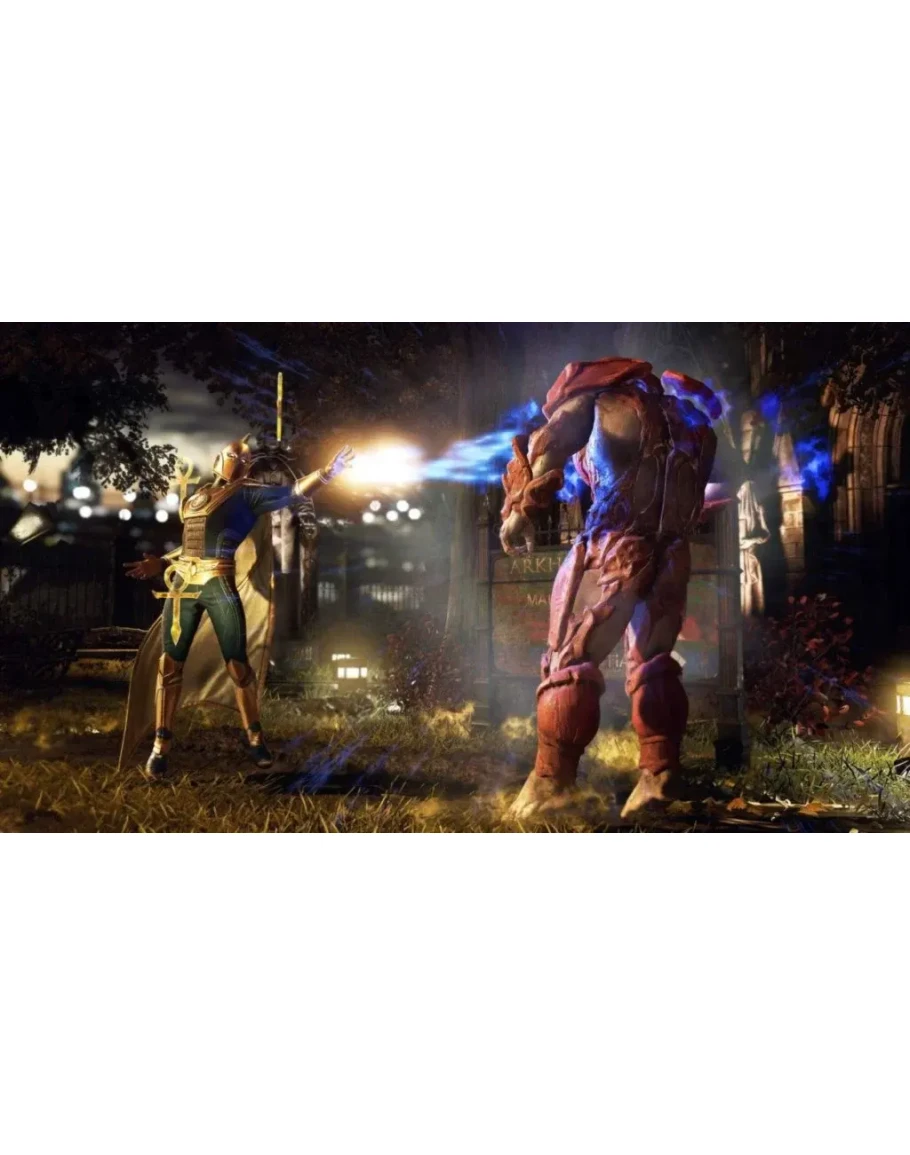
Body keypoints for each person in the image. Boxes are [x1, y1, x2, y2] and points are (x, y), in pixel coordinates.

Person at [499, 358, 719, 819]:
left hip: (613, 543)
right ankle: (659, 775)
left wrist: (520, 509)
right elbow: (708, 492)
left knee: (570, 658)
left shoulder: (599, 401)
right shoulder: (690, 420)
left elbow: (551, 443)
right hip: (672, 552)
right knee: (654, 663)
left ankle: (551, 782)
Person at [119, 438, 354, 777]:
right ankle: (160, 745)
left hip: (218, 584)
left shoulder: (248, 494)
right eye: (232, 456)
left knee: (237, 665)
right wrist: (162, 563)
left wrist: (327, 473)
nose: (236, 462)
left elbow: (292, 492)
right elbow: (191, 546)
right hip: (184, 587)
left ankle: (255, 739)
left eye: (242, 459)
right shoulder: (198, 497)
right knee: (169, 664)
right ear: (220, 458)